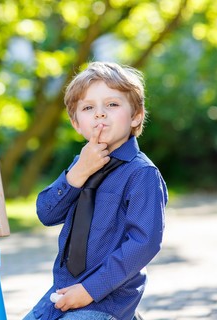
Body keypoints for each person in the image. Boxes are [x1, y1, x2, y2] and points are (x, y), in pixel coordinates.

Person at [23, 61, 168, 320]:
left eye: (112, 105)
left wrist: (90, 290)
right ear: (76, 123)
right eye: (89, 108)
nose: (100, 114)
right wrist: (78, 173)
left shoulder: (141, 174)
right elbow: (46, 213)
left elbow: (144, 243)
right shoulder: (80, 165)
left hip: (108, 297)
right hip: (63, 289)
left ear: (136, 116)